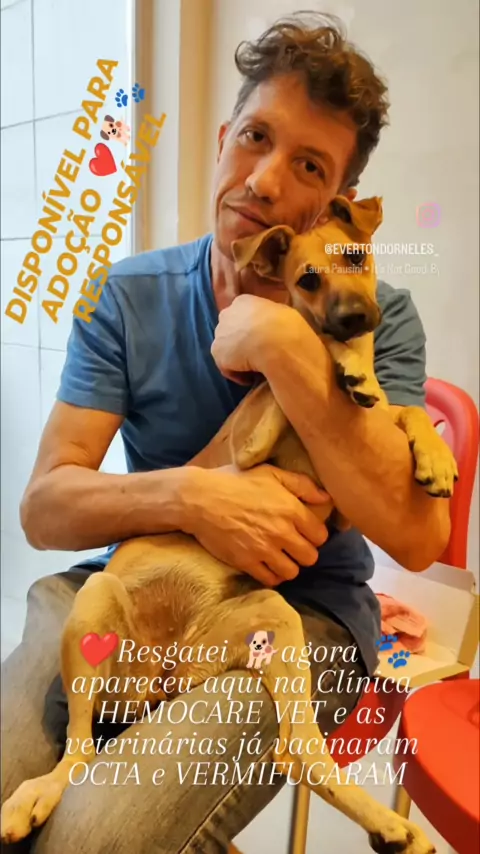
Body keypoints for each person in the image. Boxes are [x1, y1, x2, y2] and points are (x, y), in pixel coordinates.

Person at [1, 11, 450, 854]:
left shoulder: (378, 316)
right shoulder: (122, 296)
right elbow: (44, 509)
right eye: (255, 137)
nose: (266, 181)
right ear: (220, 142)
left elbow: (420, 537)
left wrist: (283, 343)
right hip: (134, 583)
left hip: (299, 617)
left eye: (309, 165)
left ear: (340, 205)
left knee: (91, 843)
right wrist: (194, 497)